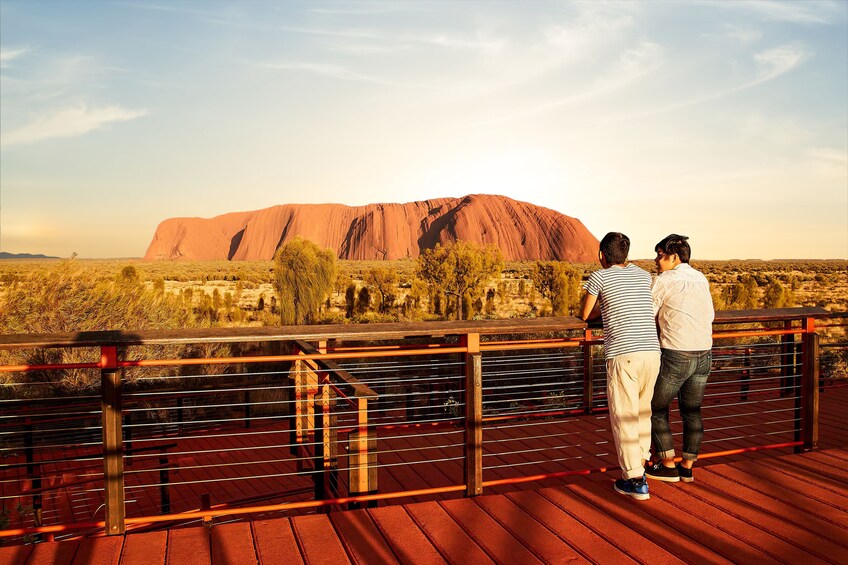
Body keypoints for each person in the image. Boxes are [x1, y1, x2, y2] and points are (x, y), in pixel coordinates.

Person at [582, 232, 661, 500]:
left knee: (624, 416)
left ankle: (635, 480)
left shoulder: (599, 277)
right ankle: (640, 464)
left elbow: (585, 314)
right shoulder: (643, 276)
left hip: (623, 353)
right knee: (642, 412)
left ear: (602, 255)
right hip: (652, 351)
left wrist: (604, 305)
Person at [645, 234, 714, 483]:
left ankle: (666, 465)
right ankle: (686, 466)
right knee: (692, 411)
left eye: (660, 254)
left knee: (655, 408)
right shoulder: (700, 277)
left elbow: (647, 312)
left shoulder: (664, 279)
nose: (656, 259)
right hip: (704, 352)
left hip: (677, 354)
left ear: (674, 257)